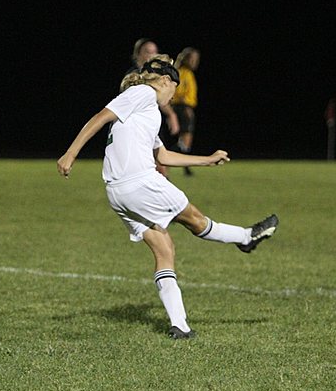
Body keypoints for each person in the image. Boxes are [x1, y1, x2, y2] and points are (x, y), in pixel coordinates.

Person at [58, 55, 279, 339]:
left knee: (164, 249)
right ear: (165, 81)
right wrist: (70, 153)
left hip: (117, 192)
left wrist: (206, 160)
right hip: (140, 183)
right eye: (175, 88)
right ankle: (245, 238)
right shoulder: (142, 94)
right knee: (198, 222)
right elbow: (100, 117)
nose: (175, 95)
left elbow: (161, 154)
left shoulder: (145, 111)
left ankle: (180, 327)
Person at [124, 38, 178, 178]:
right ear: (137, 54)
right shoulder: (134, 77)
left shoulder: (154, 76)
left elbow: (159, 98)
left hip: (151, 127)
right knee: (153, 168)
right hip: (137, 130)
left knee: (161, 166)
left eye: (154, 52)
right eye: (147, 52)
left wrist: (171, 115)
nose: (151, 55)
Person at [171, 47, 201, 176]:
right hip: (182, 108)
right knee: (185, 140)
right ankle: (162, 155)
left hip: (185, 107)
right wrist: (185, 105)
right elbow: (177, 91)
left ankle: (185, 167)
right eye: (193, 59)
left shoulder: (188, 73)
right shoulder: (181, 72)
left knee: (184, 141)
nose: (195, 62)